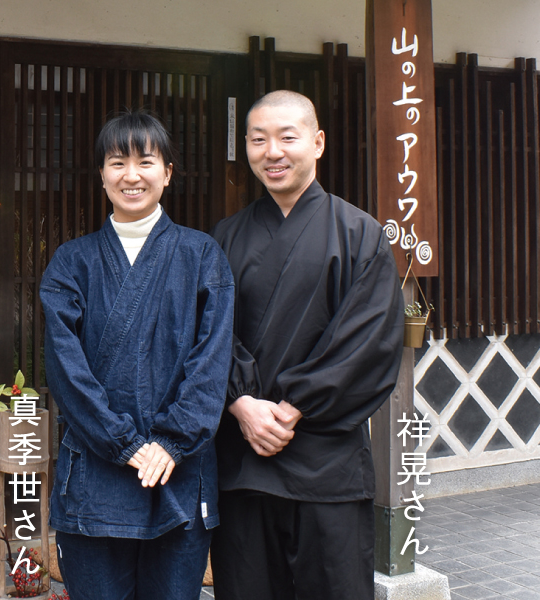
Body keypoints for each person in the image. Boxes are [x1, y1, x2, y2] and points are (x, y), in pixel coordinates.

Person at [210, 90, 404, 599]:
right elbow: (207, 334)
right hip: (245, 459)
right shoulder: (225, 238)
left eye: (287, 137)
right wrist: (242, 404)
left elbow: (368, 343)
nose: (272, 151)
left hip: (326, 462)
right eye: (258, 139)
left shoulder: (361, 234)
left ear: (317, 143)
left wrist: (294, 407)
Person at [40, 110, 234, 600]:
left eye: (146, 161)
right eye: (117, 162)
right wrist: (127, 445)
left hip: (179, 473)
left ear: (167, 173)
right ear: (102, 176)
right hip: (96, 476)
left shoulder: (202, 255)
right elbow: (66, 369)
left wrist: (171, 441)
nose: (131, 175)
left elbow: (212, 361)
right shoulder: (72, 261)